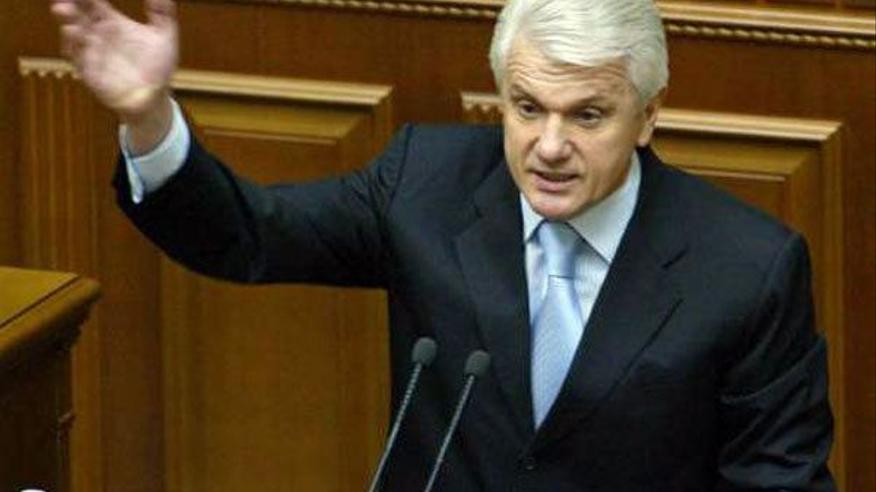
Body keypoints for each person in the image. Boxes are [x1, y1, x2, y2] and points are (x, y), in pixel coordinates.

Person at [51, 0, 836, 489]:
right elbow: (251, 235)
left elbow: (780, 481)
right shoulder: (425, 183)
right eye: (527, 107)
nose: (548, 146)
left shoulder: (746, 268)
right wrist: (148, 119)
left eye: (587, 115)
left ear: (649, 115)